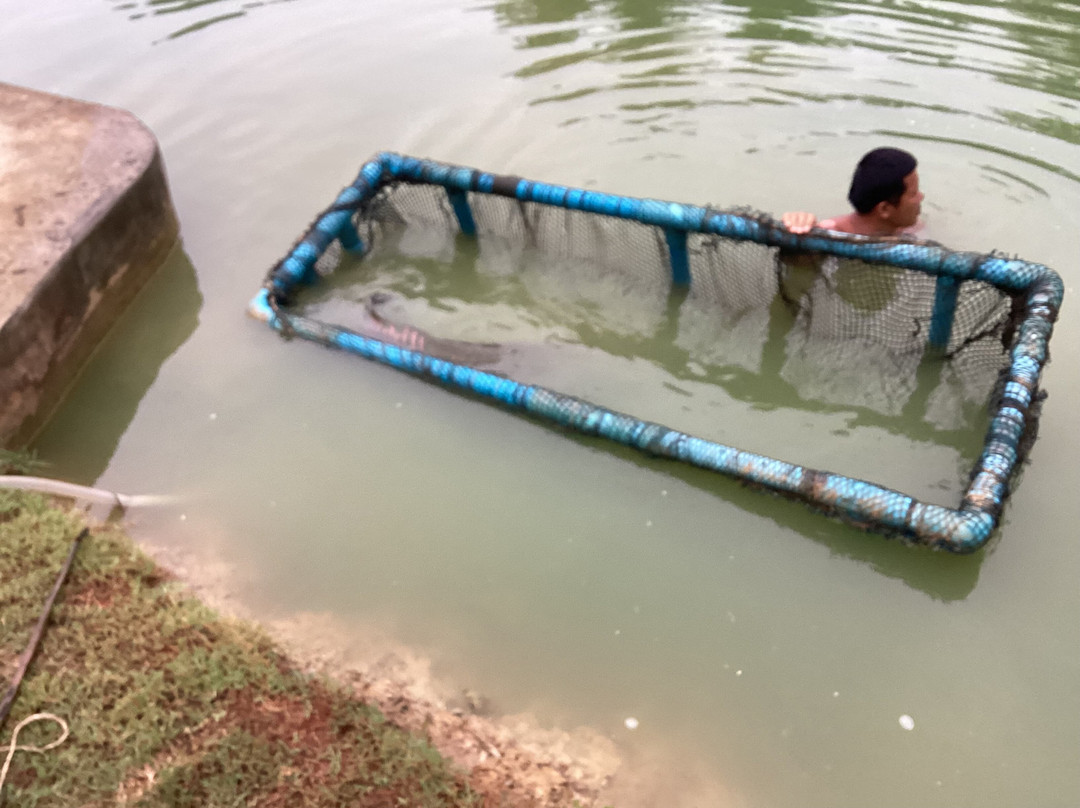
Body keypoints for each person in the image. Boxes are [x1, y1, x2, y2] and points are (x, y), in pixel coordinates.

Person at [782, 147, 924, 237]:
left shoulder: (908, 229)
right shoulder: (830, 233)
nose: (921, 197)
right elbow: (799, 265)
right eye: (913, 194)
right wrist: (797, 228)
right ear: (884, 209)